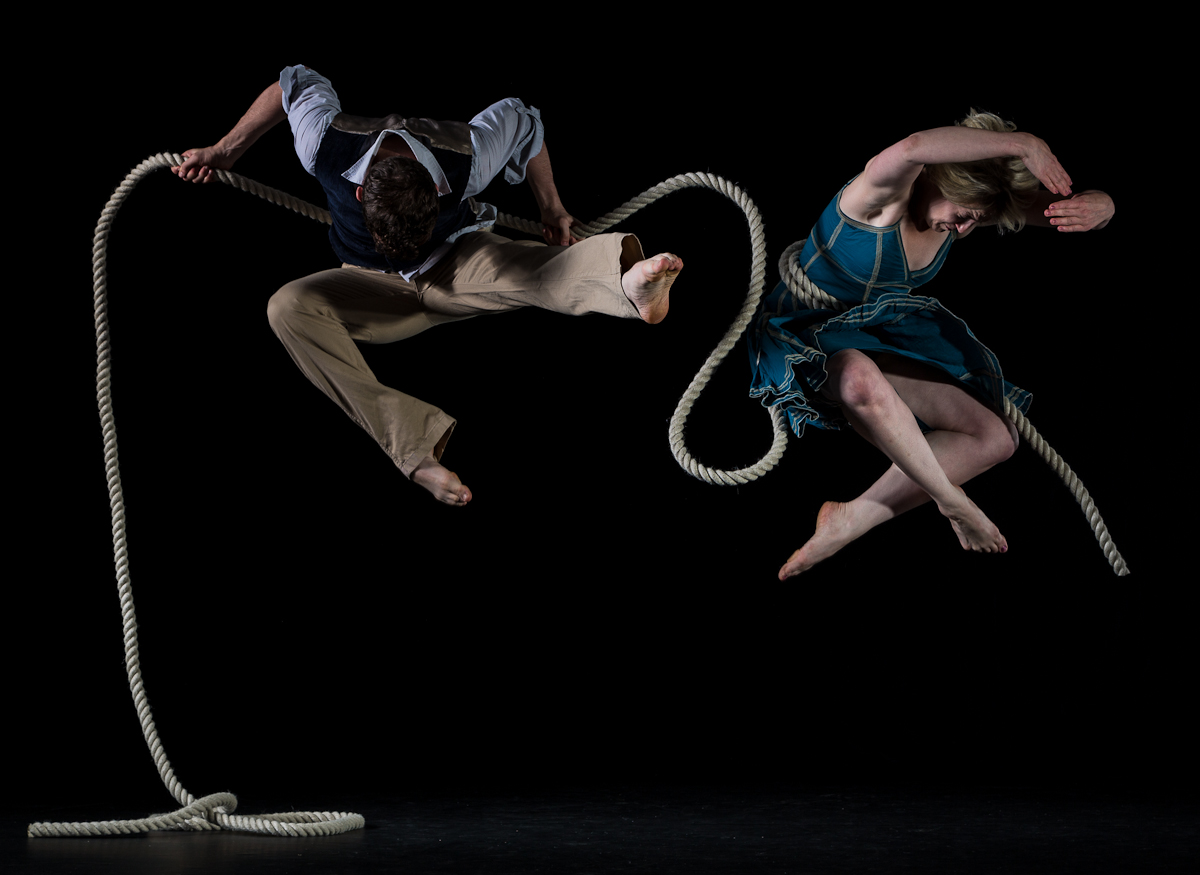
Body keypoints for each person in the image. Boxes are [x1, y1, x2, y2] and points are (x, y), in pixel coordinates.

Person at [172, 66, 682, 506]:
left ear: (437, 191)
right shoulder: (322, 142)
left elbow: (525, 119)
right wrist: (222, 151)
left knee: (526, 271)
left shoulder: (470, 155)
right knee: (286, 308)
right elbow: (293, 84)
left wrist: (552, 208)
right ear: (358, 190)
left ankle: (625, 284)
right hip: (370, 286)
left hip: (454, 266)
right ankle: (414, 451)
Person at [747, 110, 1114, 580]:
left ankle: (852, 518)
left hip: (868, 337)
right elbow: (912, 148)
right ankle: (952, 500)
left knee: (997, 438)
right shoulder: (877, 197)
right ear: (946, 179)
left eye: (975, 221)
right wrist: (1024, 143)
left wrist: (1103, 208)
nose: (964, 230)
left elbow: (1056, 212)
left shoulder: (960, 212)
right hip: (798, 333)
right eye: (964, 215)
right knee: (859, 377)